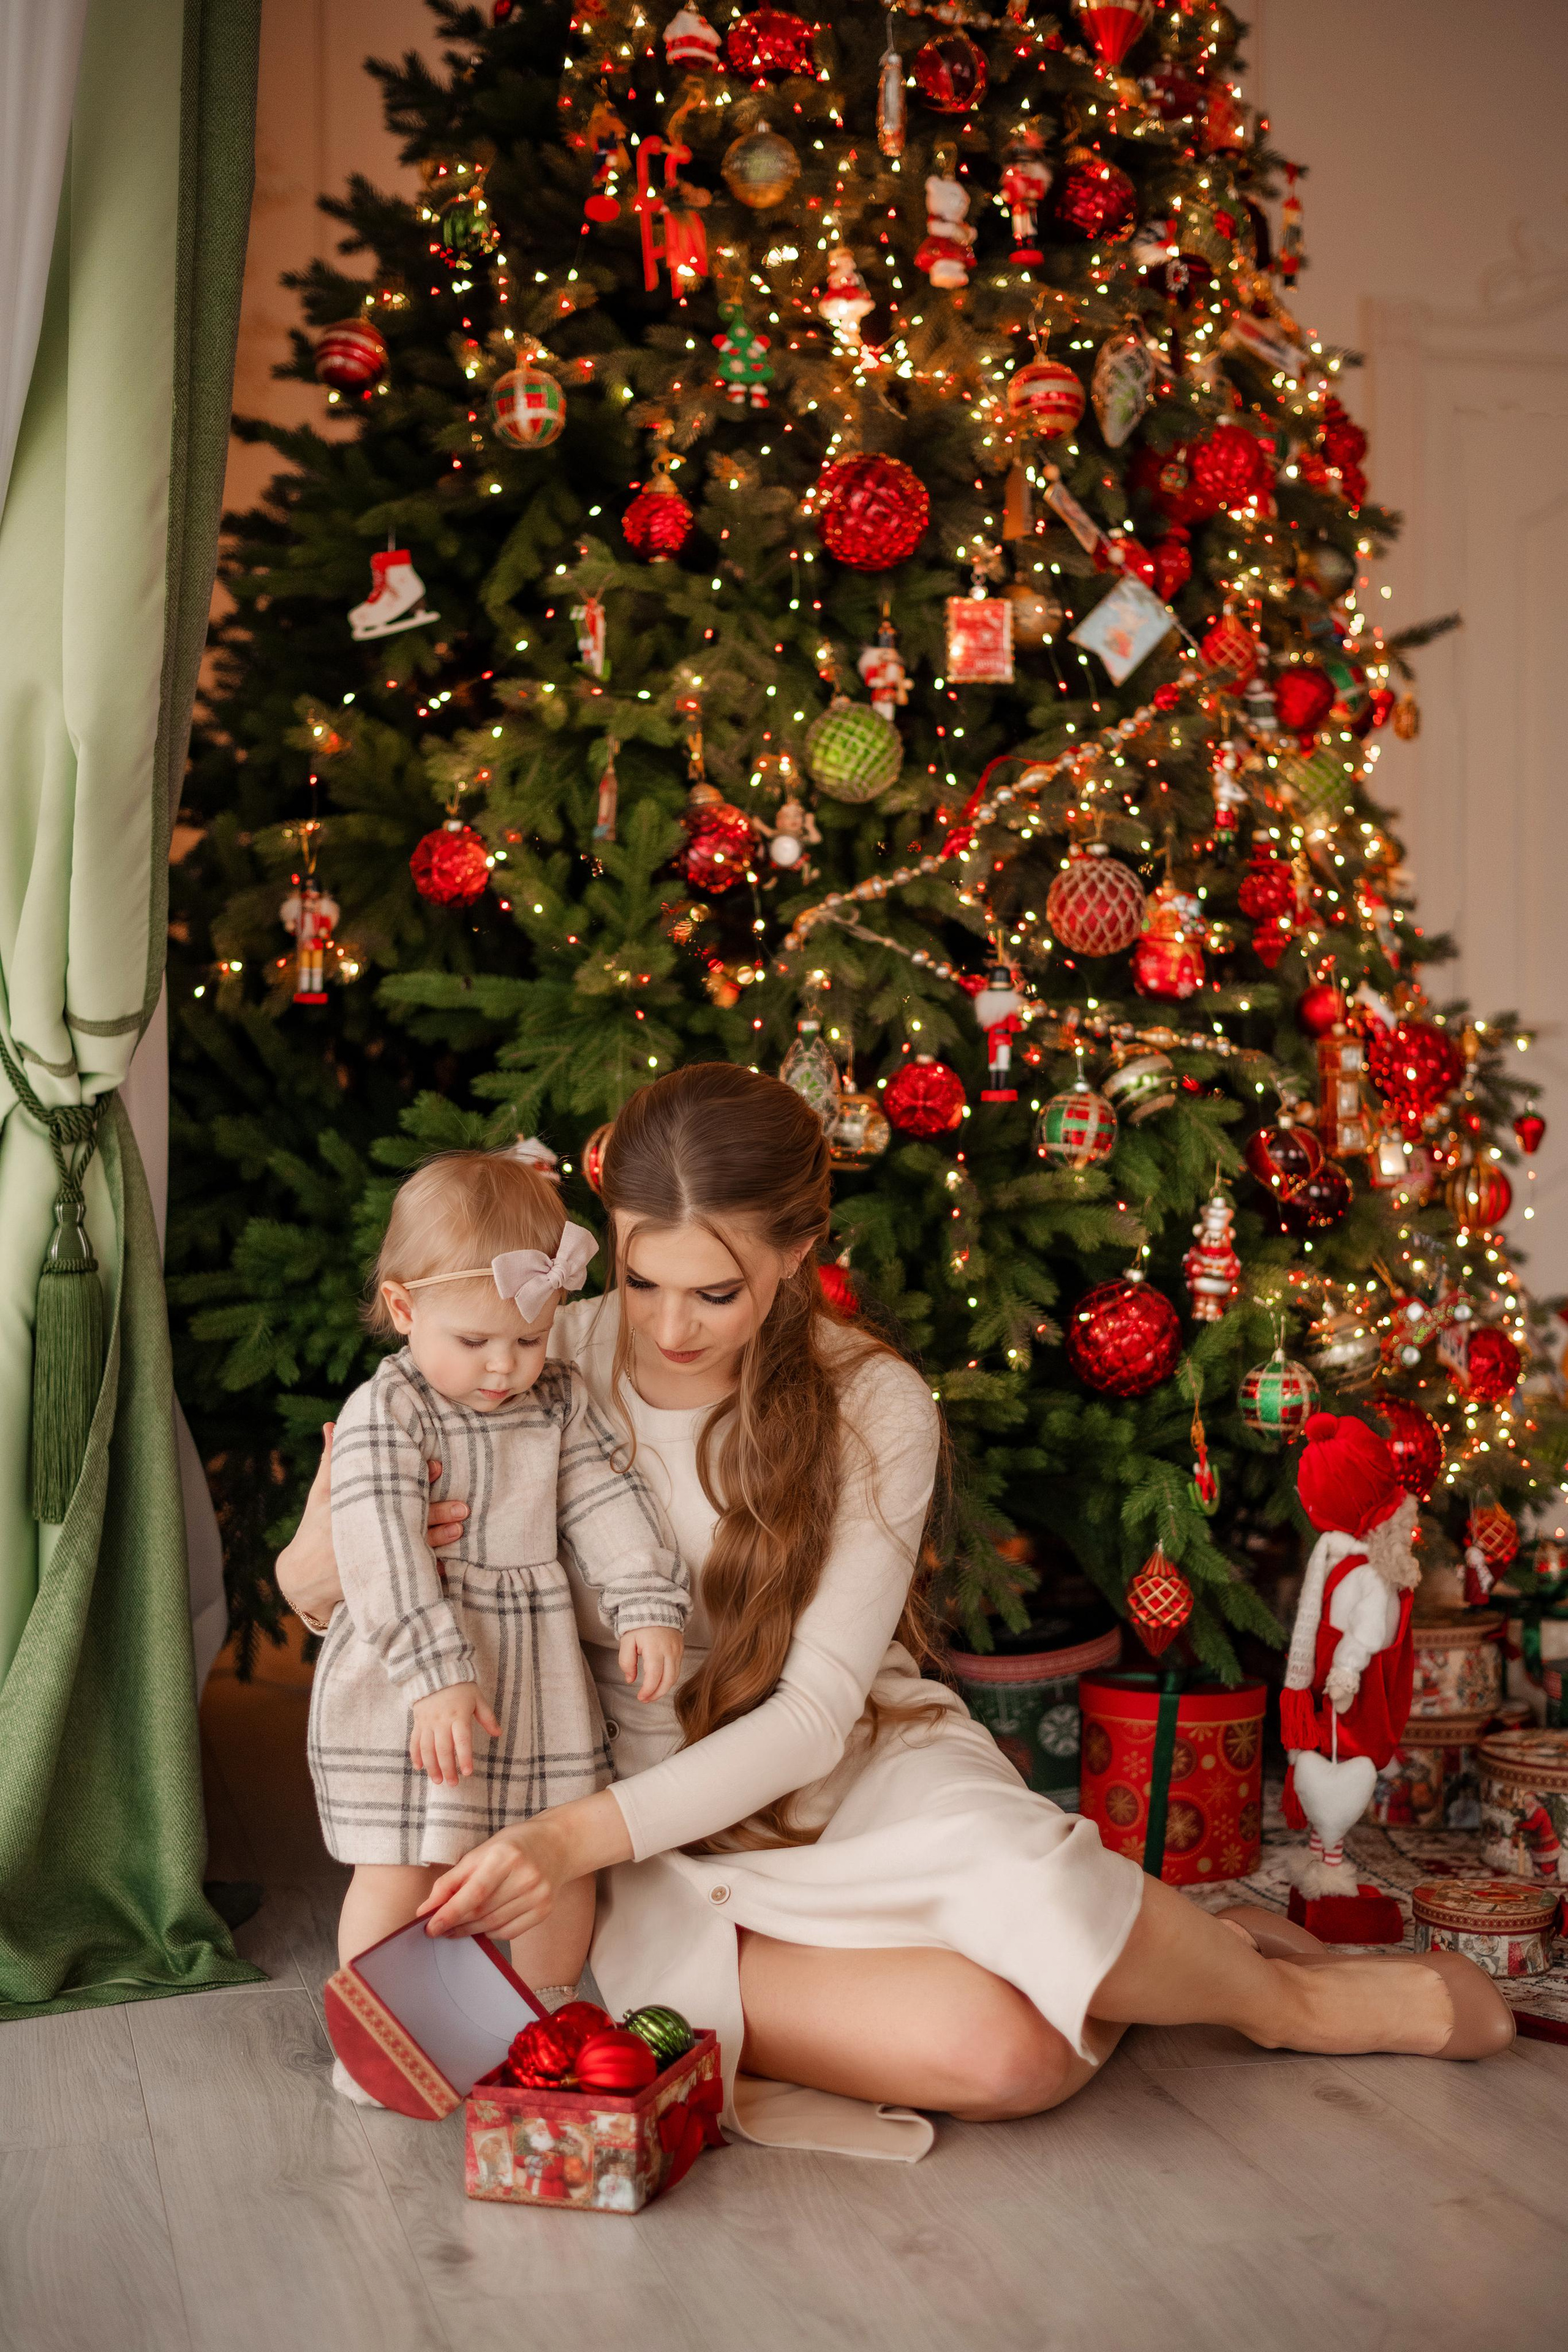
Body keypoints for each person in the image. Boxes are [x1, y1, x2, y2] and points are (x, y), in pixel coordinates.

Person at [279, 1065, 1512, 2162]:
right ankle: (1167, 1937)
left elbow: (815, 1714)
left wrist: (560, 1845)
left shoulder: (873, 1401)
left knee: (1023, 1893)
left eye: (714, 1293)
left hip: (843, 1768)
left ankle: (1281, 2003)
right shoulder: (528, 1356)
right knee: (1007, 2059)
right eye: (641, 1276)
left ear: (796, 1252)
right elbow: (313, 1590)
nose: (665, 1327)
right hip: (635, 1830)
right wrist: (349, 1552)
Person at [305, 1149, 688, 2094]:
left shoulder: (559, 1401)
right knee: (401, 1867)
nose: (504, 1367)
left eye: (528, 1340)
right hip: (415, 1680)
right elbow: (381, 1555)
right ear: (404, 1311)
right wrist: (436, 1674)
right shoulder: (386, 1412)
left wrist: (643, 1602)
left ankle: (551, 2017)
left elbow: (605, 1496)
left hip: (532, 1671)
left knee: (553, 1868)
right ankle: (381, 2038)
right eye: (476, 1341)